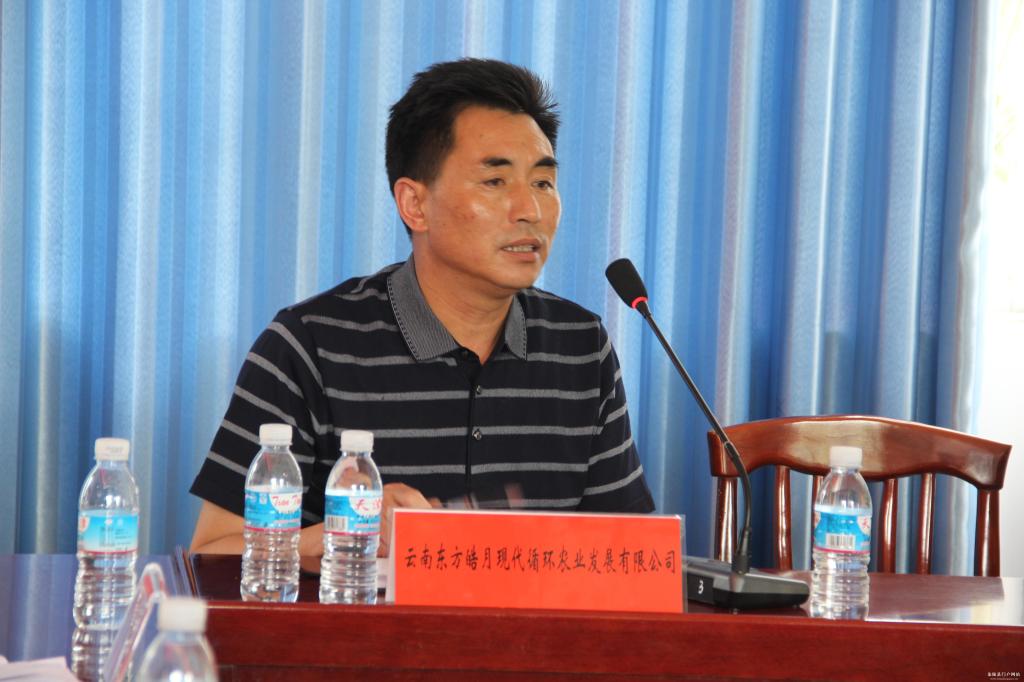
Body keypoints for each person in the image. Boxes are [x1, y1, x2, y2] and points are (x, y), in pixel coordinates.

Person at [189, 58, 654, 557]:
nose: (531, 210)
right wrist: (341, 538)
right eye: (495, 182)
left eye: (543, 183)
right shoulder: (308, 346)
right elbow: (212, 551)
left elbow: (627, 556)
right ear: (414, 204)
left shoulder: (581, 348)